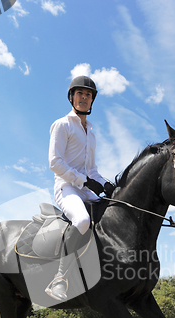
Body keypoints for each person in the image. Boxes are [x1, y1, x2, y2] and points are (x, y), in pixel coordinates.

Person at [45, 75, 114, 301]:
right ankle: (59, 278)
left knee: (112, 211)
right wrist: (82, 181)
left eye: (88, 95)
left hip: (85, 188)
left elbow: (92, 170)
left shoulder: (91, 133)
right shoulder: (61, 124)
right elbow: (55, 162)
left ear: (92, 100)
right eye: (80, 94)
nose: (84, 98)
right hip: (66, 187)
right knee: (83, 221)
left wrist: (105, 184)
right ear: (72, 97)